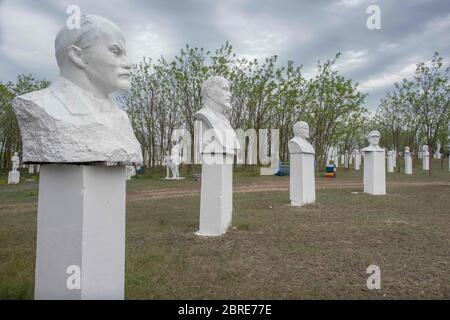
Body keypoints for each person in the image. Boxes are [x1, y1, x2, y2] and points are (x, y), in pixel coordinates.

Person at [12, 14, 142, 165]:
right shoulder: (38, 105)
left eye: (125, 55)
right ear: (78, 55)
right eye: (115, 51)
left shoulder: (122, 118)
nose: (128, 64)